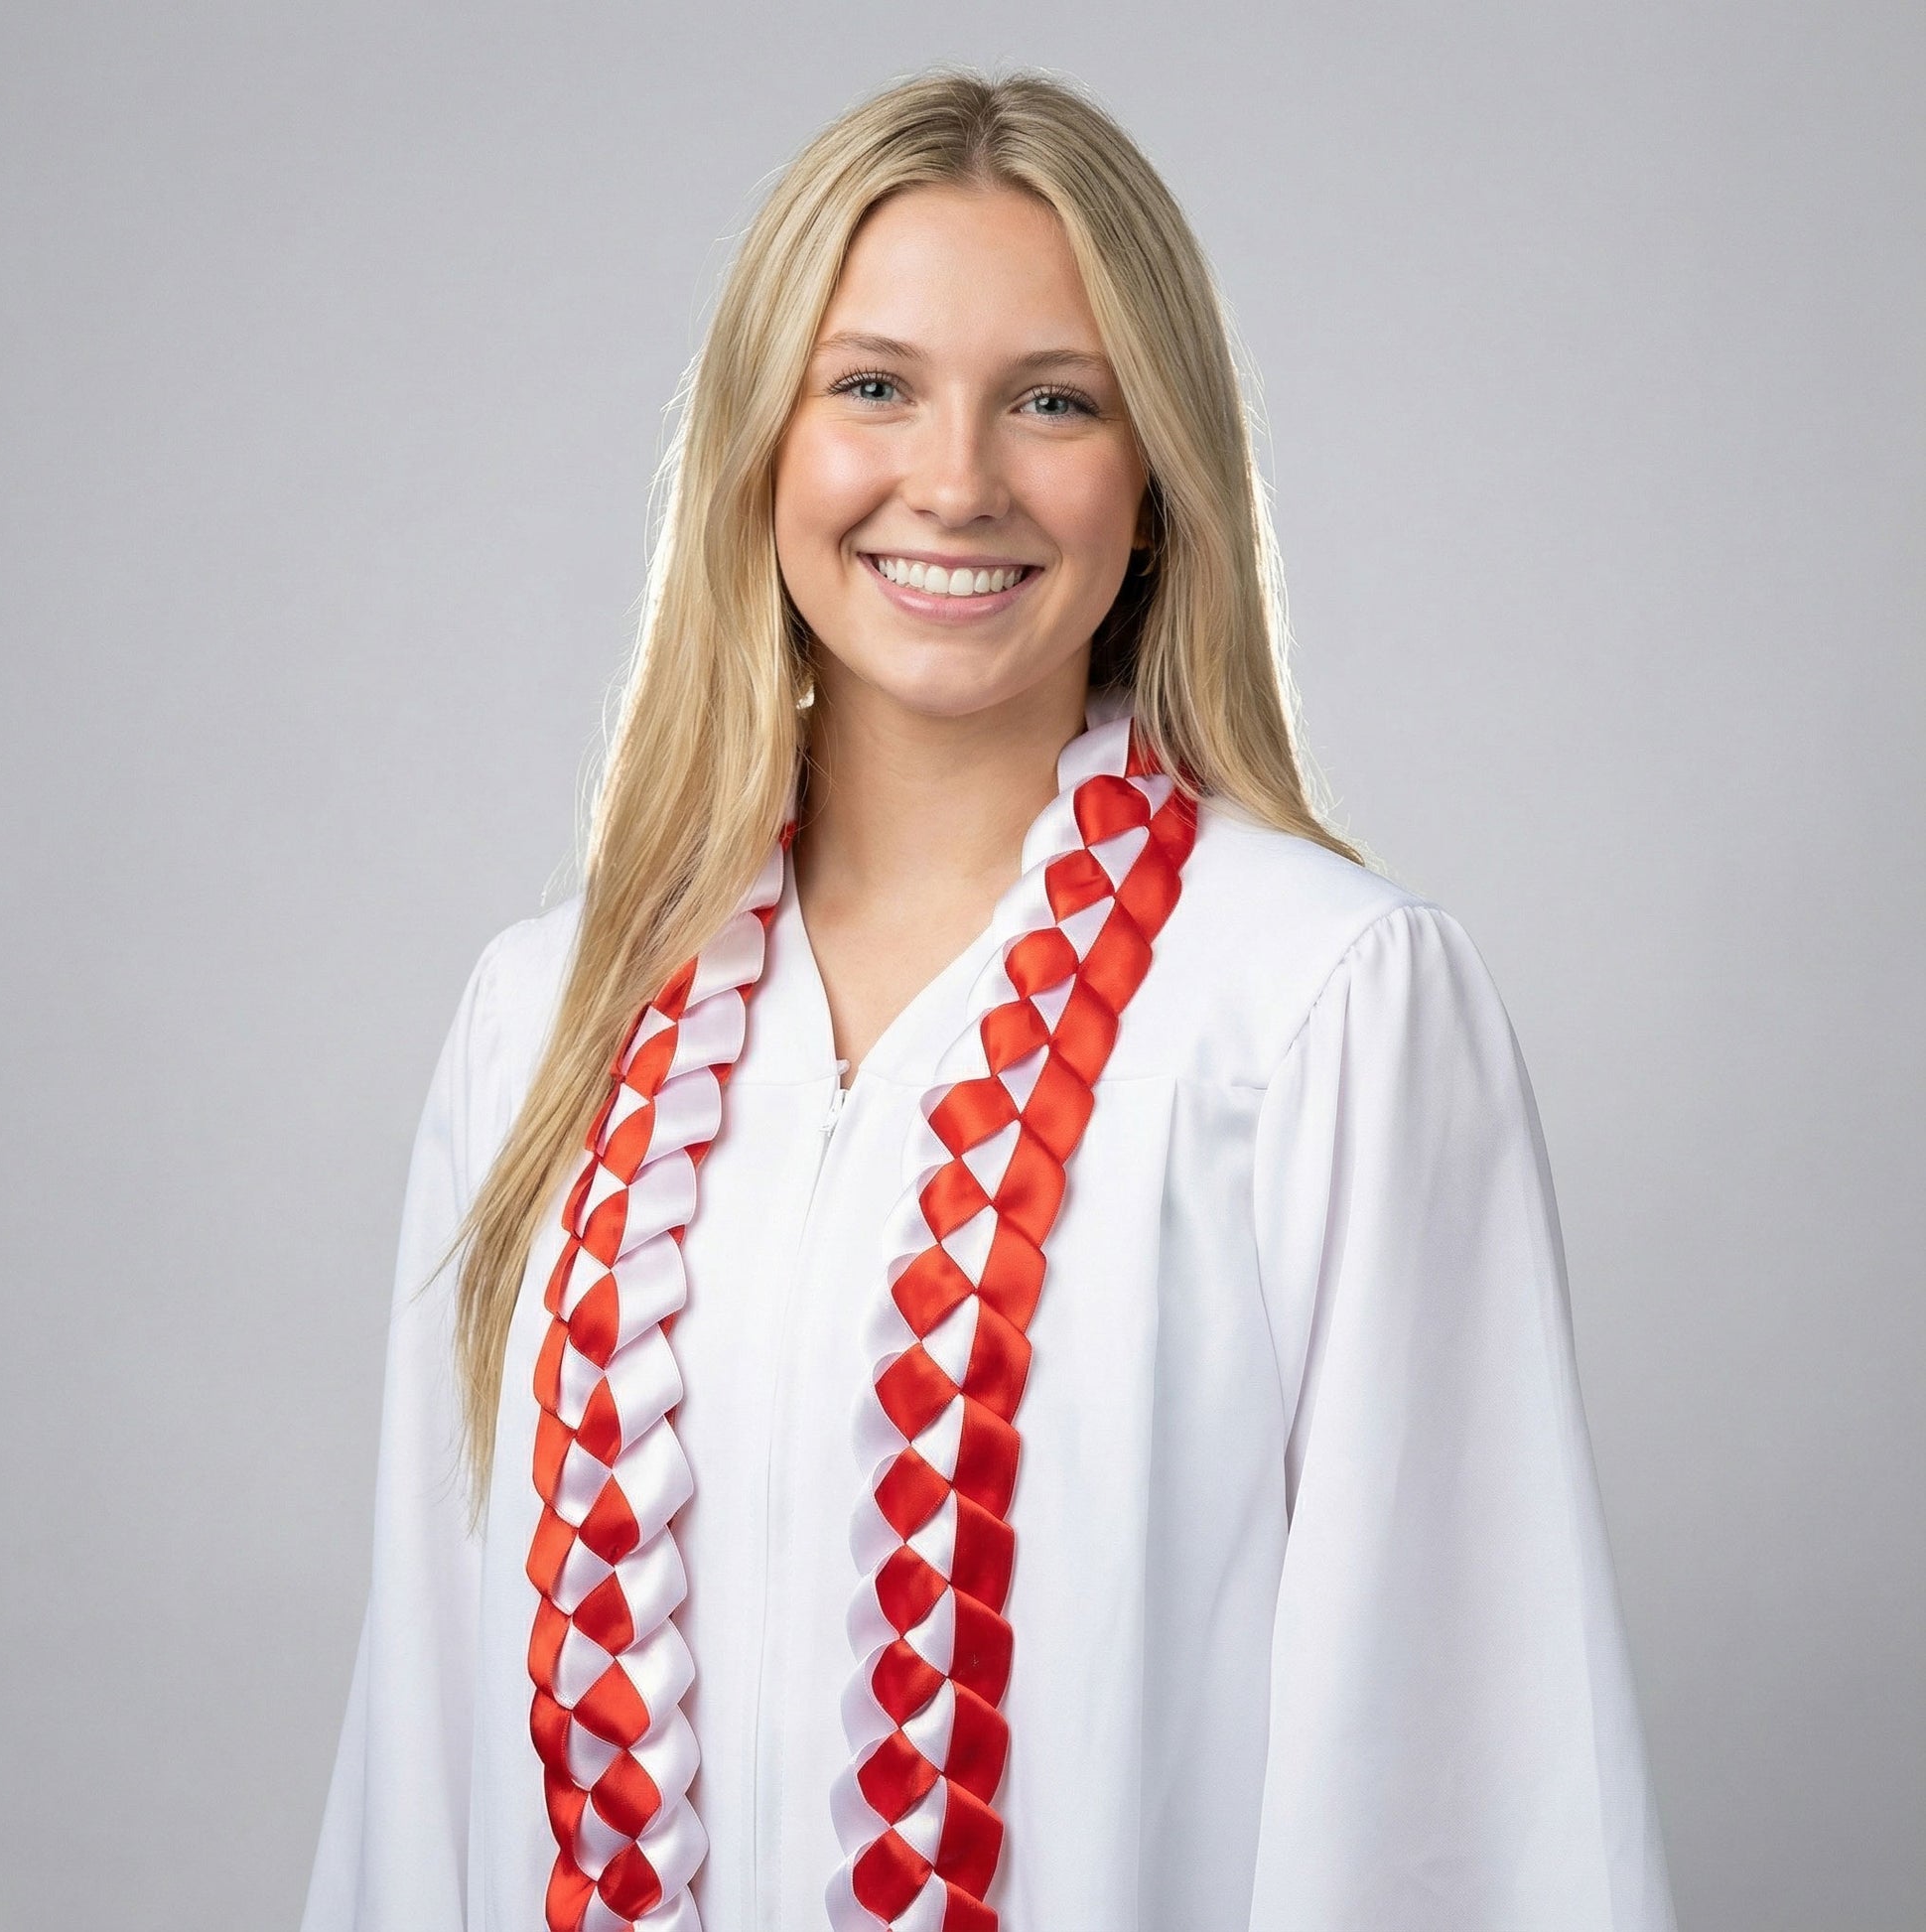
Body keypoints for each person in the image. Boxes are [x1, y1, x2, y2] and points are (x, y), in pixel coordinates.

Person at [301, 66, 1677, 1932]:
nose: (953, 479)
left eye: (1051, 400)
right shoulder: (545, 1017)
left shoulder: (1320, 1010)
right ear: (760, 448)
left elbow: (1460, 1776)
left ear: (1156, 481)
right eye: (871, 385)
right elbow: (427, 1761)